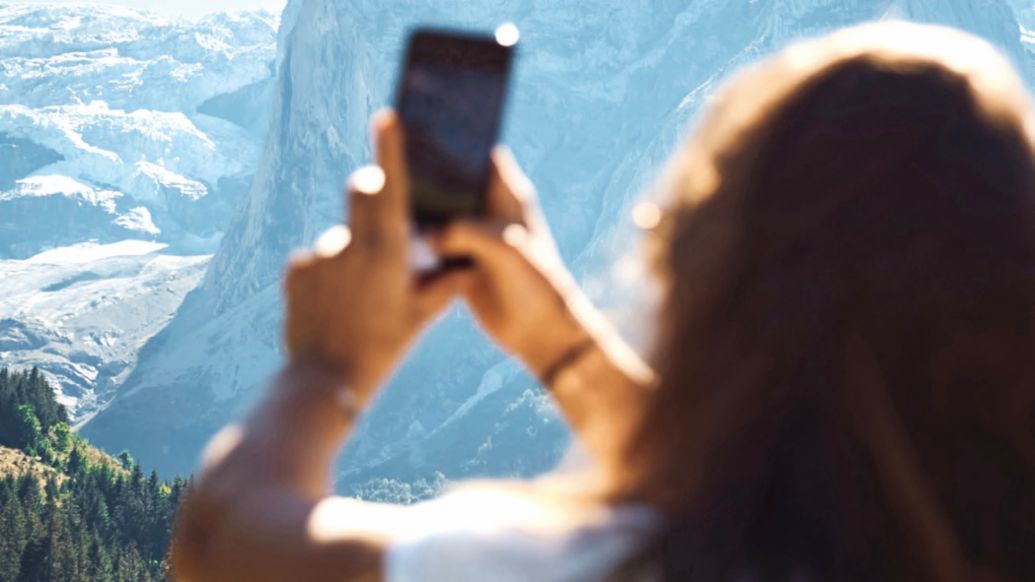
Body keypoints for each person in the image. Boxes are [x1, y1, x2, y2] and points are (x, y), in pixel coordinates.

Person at [170, 21, 1035, 582]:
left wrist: (326, 369)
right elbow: (765, 494)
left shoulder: (589, 568)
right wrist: (563, 346)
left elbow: (221, 545)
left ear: (702, 279)